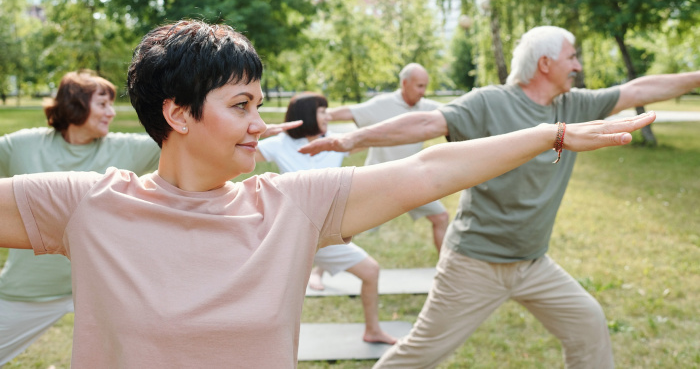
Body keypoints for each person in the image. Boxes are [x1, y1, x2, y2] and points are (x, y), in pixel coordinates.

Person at [0, 20, 655, 368]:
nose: (261, 122)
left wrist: (554, 133)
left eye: (260, 101)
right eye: (242, 104)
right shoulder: (85, 203)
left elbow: (430, 172)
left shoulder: (287, 207)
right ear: (177, 114)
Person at [300, 25, 700, 368]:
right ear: (545, 63)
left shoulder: (574, 105)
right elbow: (425, 121)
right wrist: (353, 137)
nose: (578, 65)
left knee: (589, 324)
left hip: (533, 263)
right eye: (572, 56)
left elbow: (637, 89)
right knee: (420, 354)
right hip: (475, 263)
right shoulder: (490, 102)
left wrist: (696, 77)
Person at [0, 70, 161, 366]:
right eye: (103, 104)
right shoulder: (22, 145)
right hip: (33, 289)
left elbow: (192, 141)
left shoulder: (125, 148)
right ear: (75, 104)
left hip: (104, 290)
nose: (111, 113)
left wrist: (261, 129)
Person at [256, 91, 397, 345]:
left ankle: (372, 330)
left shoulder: (335, 141)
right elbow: (234, 156)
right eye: (322, 111)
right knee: (275, 296)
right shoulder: (281, 143)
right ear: (307, 114)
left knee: (370, 271)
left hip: (326, 232)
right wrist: (257, 132)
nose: (327, 116)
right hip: (292, 232)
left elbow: (375, 139)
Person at [326, 63, 450, 253]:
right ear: (404, 83)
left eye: (425, 86)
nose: (423, 92)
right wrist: (316, 116)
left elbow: (457, 111)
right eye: (419, 86)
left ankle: (446, 271)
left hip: (412, 180)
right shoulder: (383, 104)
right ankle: (321, 269)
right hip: (379, 182)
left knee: (440, 217)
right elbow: (349, 112)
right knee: (350, 229)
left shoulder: (426, 108)